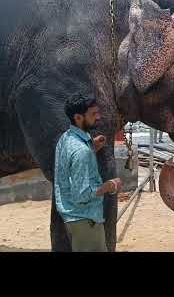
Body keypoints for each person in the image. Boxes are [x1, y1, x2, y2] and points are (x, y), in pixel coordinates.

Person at [54, 93, 122, 252]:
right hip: (85, 220)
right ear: (78, 117)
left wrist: (91, 146)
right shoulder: (81, 151)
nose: (98, 117)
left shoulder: (66, 138)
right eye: (93, 114)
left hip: (74, 217)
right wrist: (110, 185)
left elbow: (70, 165)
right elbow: (82, 195)